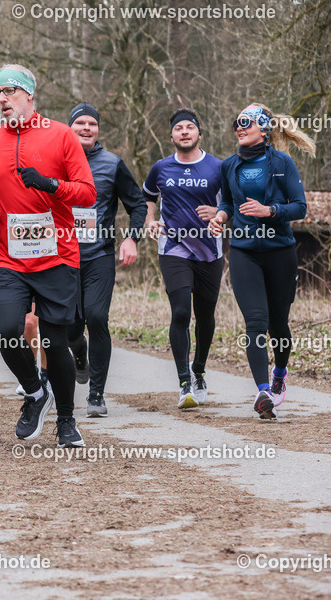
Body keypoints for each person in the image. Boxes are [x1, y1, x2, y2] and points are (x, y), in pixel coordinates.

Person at [0, 63, 96, 448]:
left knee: (55, 342)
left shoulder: (61, 135)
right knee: (6, 330)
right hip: (8, 256)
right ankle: (35, 393)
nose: (2, 99)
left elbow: (87, 193)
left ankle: (67, 422)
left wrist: (52, 184)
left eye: (9, 91)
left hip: (56, 254)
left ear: (28, 95)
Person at [204, 104, 314, 418]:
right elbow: (227, 201)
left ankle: (280, 373)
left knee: (278, 323)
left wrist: (270, 211)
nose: (239, 128)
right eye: (236, 123)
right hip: (243, 251)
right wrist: (221, 216)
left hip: (280, 251)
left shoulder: (282, 162)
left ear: (263, 129)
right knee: (255, 321)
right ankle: (263, 391)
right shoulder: (229, 165)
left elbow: (300, 207)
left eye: (246, 123)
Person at [67, 102, 148, 417]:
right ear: (69, 127)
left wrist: (131, 238)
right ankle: (79, 355)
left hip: (99, 254)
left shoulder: (112, 164)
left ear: (98, 129)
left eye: (92, 123)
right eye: (80, 123)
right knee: (71, 327)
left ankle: (96, 396)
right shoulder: (54, 163)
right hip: (63, 257)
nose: (86, 128)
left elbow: (137, 205)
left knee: (97, 317)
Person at [143, 108, 224, 408]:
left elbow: (231, 203)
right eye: (179, 128)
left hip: (209, 251)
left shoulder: (218, 167)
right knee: (180, 312)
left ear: (199, 133)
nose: (185, 132)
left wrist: (218, 213)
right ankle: (183, 381)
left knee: (205, 315)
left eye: (190, 127)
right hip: (173, 248)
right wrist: (150, 220)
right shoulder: (161, 167)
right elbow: (148, 196)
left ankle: (199, 370)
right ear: (172, 135)